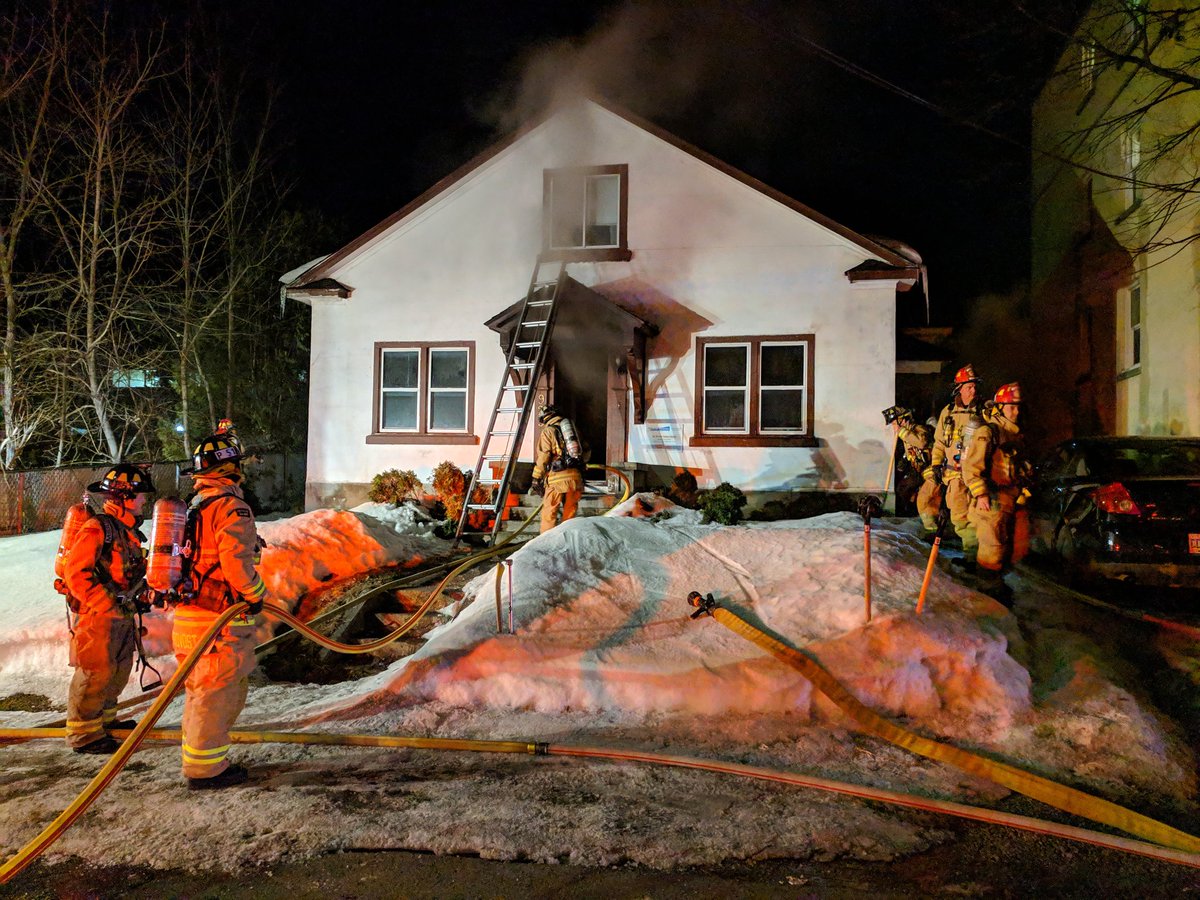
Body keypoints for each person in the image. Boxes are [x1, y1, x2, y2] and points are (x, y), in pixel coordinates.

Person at [173, 430, 268, 789]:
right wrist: (255, 594)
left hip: (190, 616)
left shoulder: (196, 507)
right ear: (231, 468)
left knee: (202, 693)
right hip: (217, 618)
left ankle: (202, 758)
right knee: (216, 694)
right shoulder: (230, 507)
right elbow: (236, 564)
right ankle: (205, 769)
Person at [62, 464, 155, 754]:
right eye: (140, 496)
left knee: (117, 671)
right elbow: (76, 574)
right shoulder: (97, 528)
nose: (144, 501)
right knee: (95, 673)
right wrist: (105, 604)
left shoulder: (127, 532)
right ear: (124, 496)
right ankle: (84, 735)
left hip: (120, 614)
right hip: (97, 616)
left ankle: (104, 723)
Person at [962, 382, 1029, 605]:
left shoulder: (1014, 436)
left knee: (1011, 548)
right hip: (990, 503)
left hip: (1010, 501)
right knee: (992, 550)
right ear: (1000, 408)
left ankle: (996, 587)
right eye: (1011, 407)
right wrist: (980, 495)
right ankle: (987, 597)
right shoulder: (988, 433)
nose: (1016, 412)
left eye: (1018, 407)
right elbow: (971, 467)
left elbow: (1019, 468)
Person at [924, 364, 983, 562]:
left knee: (966, 517)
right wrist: (935, 464)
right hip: (954, 474)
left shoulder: (984, 412)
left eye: (975, 386)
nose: (973, 390)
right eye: (969, 387)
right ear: (959, 389)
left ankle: (973, 557)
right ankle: (972, 555)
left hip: (975, 474)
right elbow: (940, 442)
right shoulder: (947, 413)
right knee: (960, 515)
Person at [530, 404, 586, 533]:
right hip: (575, 478)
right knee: (570, 513)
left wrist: (536, 477)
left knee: (549, 513)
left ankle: (545, 542)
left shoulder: (548, 431)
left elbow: (544, 456)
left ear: (544, 419)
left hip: (557, 479)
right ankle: (566, 539)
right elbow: (585, 451)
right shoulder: (574, 431)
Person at [893, 411, 937, 529]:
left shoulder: (919, 429)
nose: (894, 426)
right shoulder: (906, 433)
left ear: (904, 420)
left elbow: (921, 443)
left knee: (925, 497)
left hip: (930, 469)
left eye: (895, 423)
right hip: (917, 469)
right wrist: (904, 460)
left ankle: (932, 527)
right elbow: (911, 451)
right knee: (903, 488)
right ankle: (910, 517)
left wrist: (901, 431)